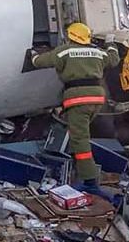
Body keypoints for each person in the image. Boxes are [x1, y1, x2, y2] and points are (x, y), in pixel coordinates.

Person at [31, 23, 119, 201]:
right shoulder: (97, 52)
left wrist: (33, 54)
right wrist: (111, 43)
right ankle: (83, 173)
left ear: (71, 37)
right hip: (96, 99)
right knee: (81, 136)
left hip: (78, 99)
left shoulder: (65, 51)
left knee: (80, 141)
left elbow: (39, 62)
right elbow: (114, 58)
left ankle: (90, 182)